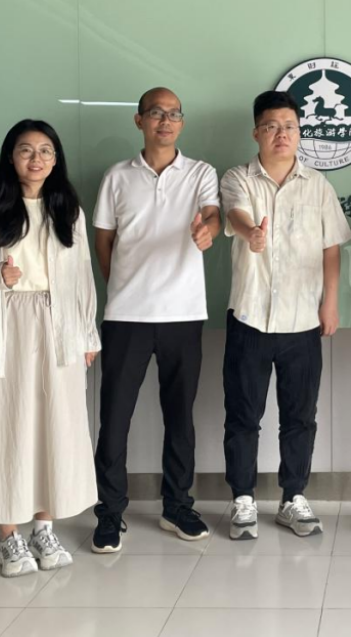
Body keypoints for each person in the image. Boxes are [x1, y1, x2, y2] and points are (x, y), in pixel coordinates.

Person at [0, 120, 101, 577]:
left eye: (45, 151)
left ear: (56, 159)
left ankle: (44, 526)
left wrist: (88, 334)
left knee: (55, 424)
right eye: (26, 150)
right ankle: (8, 536)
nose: (36, 159)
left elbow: (82, 275)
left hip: (59, 324)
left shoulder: (68, 210)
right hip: (7, 323)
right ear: (11, 157)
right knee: (5, 423)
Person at [91, 87, 221, 552]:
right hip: (126, 315)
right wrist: (122, 286)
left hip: (184, 314)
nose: (165, 121)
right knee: (114, 417)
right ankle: (109, 512)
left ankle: (177, 506)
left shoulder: (201, 172)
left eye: (174, 114)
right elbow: (103, 240)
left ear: (182, 123)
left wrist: (208, 231)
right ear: (139, 120)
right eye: (156, 113)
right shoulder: (117, 177)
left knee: (180, 417)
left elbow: (213, 214)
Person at [220, 90, 351, 540]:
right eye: (272, 126)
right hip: (250, 316)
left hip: (302, 321)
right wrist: (250, 234)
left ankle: (293, 497)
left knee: (300, 416)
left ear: (299, 132)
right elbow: (236, 214)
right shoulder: (238, 177)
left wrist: (330, 303)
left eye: (290, 127)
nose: (282, 134)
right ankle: (242, 498)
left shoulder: (318, 185)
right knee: (243, 415)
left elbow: (330, 247)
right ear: (256, 132)